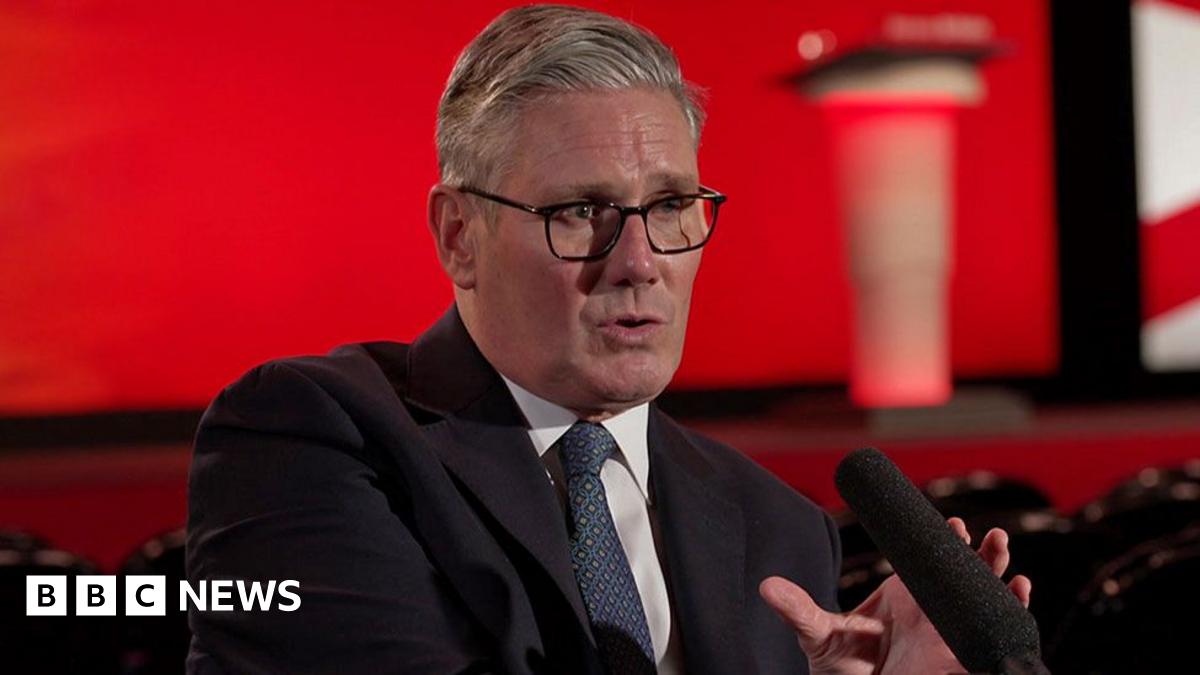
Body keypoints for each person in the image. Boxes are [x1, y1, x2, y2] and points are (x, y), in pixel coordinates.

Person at [186, 5, 1030, 674]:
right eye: (580, 211)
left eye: (668, 207)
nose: (637, 261)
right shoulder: (312, 437)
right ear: (459, 237)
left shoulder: (778, 526)